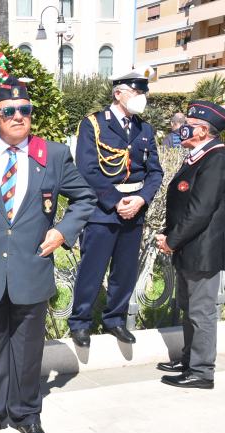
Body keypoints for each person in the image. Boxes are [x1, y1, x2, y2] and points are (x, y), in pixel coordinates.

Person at [0, 78, 96, 433]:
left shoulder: (51, 155)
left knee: (28, 349)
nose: (17, 117)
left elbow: (85, 197)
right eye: (8, 111)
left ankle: (26, 415)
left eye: (25, 110)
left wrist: (62, 232)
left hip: (31, 269)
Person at [69, 68, 163, 347]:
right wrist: (115, 201)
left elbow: (154, 172)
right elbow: (87, 170)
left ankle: (115, 319)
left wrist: (141, 199)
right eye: (136, 92)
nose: (141, 98)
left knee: (124, 271)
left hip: (134, 209)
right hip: (103, 210)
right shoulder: (94, 124)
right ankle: (81, 322)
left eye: (143, 93)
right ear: (118, 93)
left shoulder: (144, 128)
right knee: (92, 269)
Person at [156, 101, 225, 389]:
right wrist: (171, 236)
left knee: (201, 312)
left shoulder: (216, 159)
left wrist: (172, 240)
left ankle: (202, 371)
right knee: (190, 308)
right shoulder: (199, 155)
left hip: (203, 248)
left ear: (203, 130)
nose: (181, 126)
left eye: (188, 122)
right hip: (190, 246)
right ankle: (189, 360)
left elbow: (201, 209)